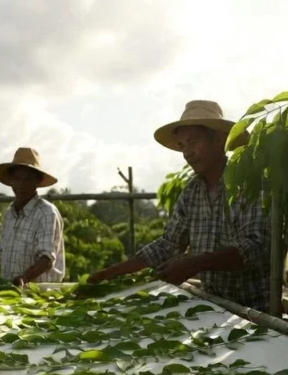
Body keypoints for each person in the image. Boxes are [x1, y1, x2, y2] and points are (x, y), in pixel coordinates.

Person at [87, 100, 272, 311]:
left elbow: (257, 246)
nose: (187, 153)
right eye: (182, 146)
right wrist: (112, 273)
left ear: (219, 140)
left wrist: (195, 264)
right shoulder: (192, 191)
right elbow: (169, 244)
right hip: (214, 308)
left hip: (256, 313)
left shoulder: (250, 183)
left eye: (193, 142)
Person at [0, 148, 66, 286]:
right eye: (17, 178)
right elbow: (0, 249)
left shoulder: (46, 213)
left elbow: (47, 258)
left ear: (37, 181)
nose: (21, 184)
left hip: (39, 293)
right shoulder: (10, 213)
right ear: (11, 181)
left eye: (27, 179)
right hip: (10, 290)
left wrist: (24, 279)